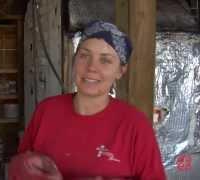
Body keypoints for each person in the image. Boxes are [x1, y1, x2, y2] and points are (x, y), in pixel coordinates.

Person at [11, 21, 166, 180]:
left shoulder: (135, 125)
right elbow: (19, 168)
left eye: (105, 60)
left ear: (120, 71)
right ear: (74, 60)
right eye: (84, 55)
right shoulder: (46, 111)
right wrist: (20, 167)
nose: (91, 67)